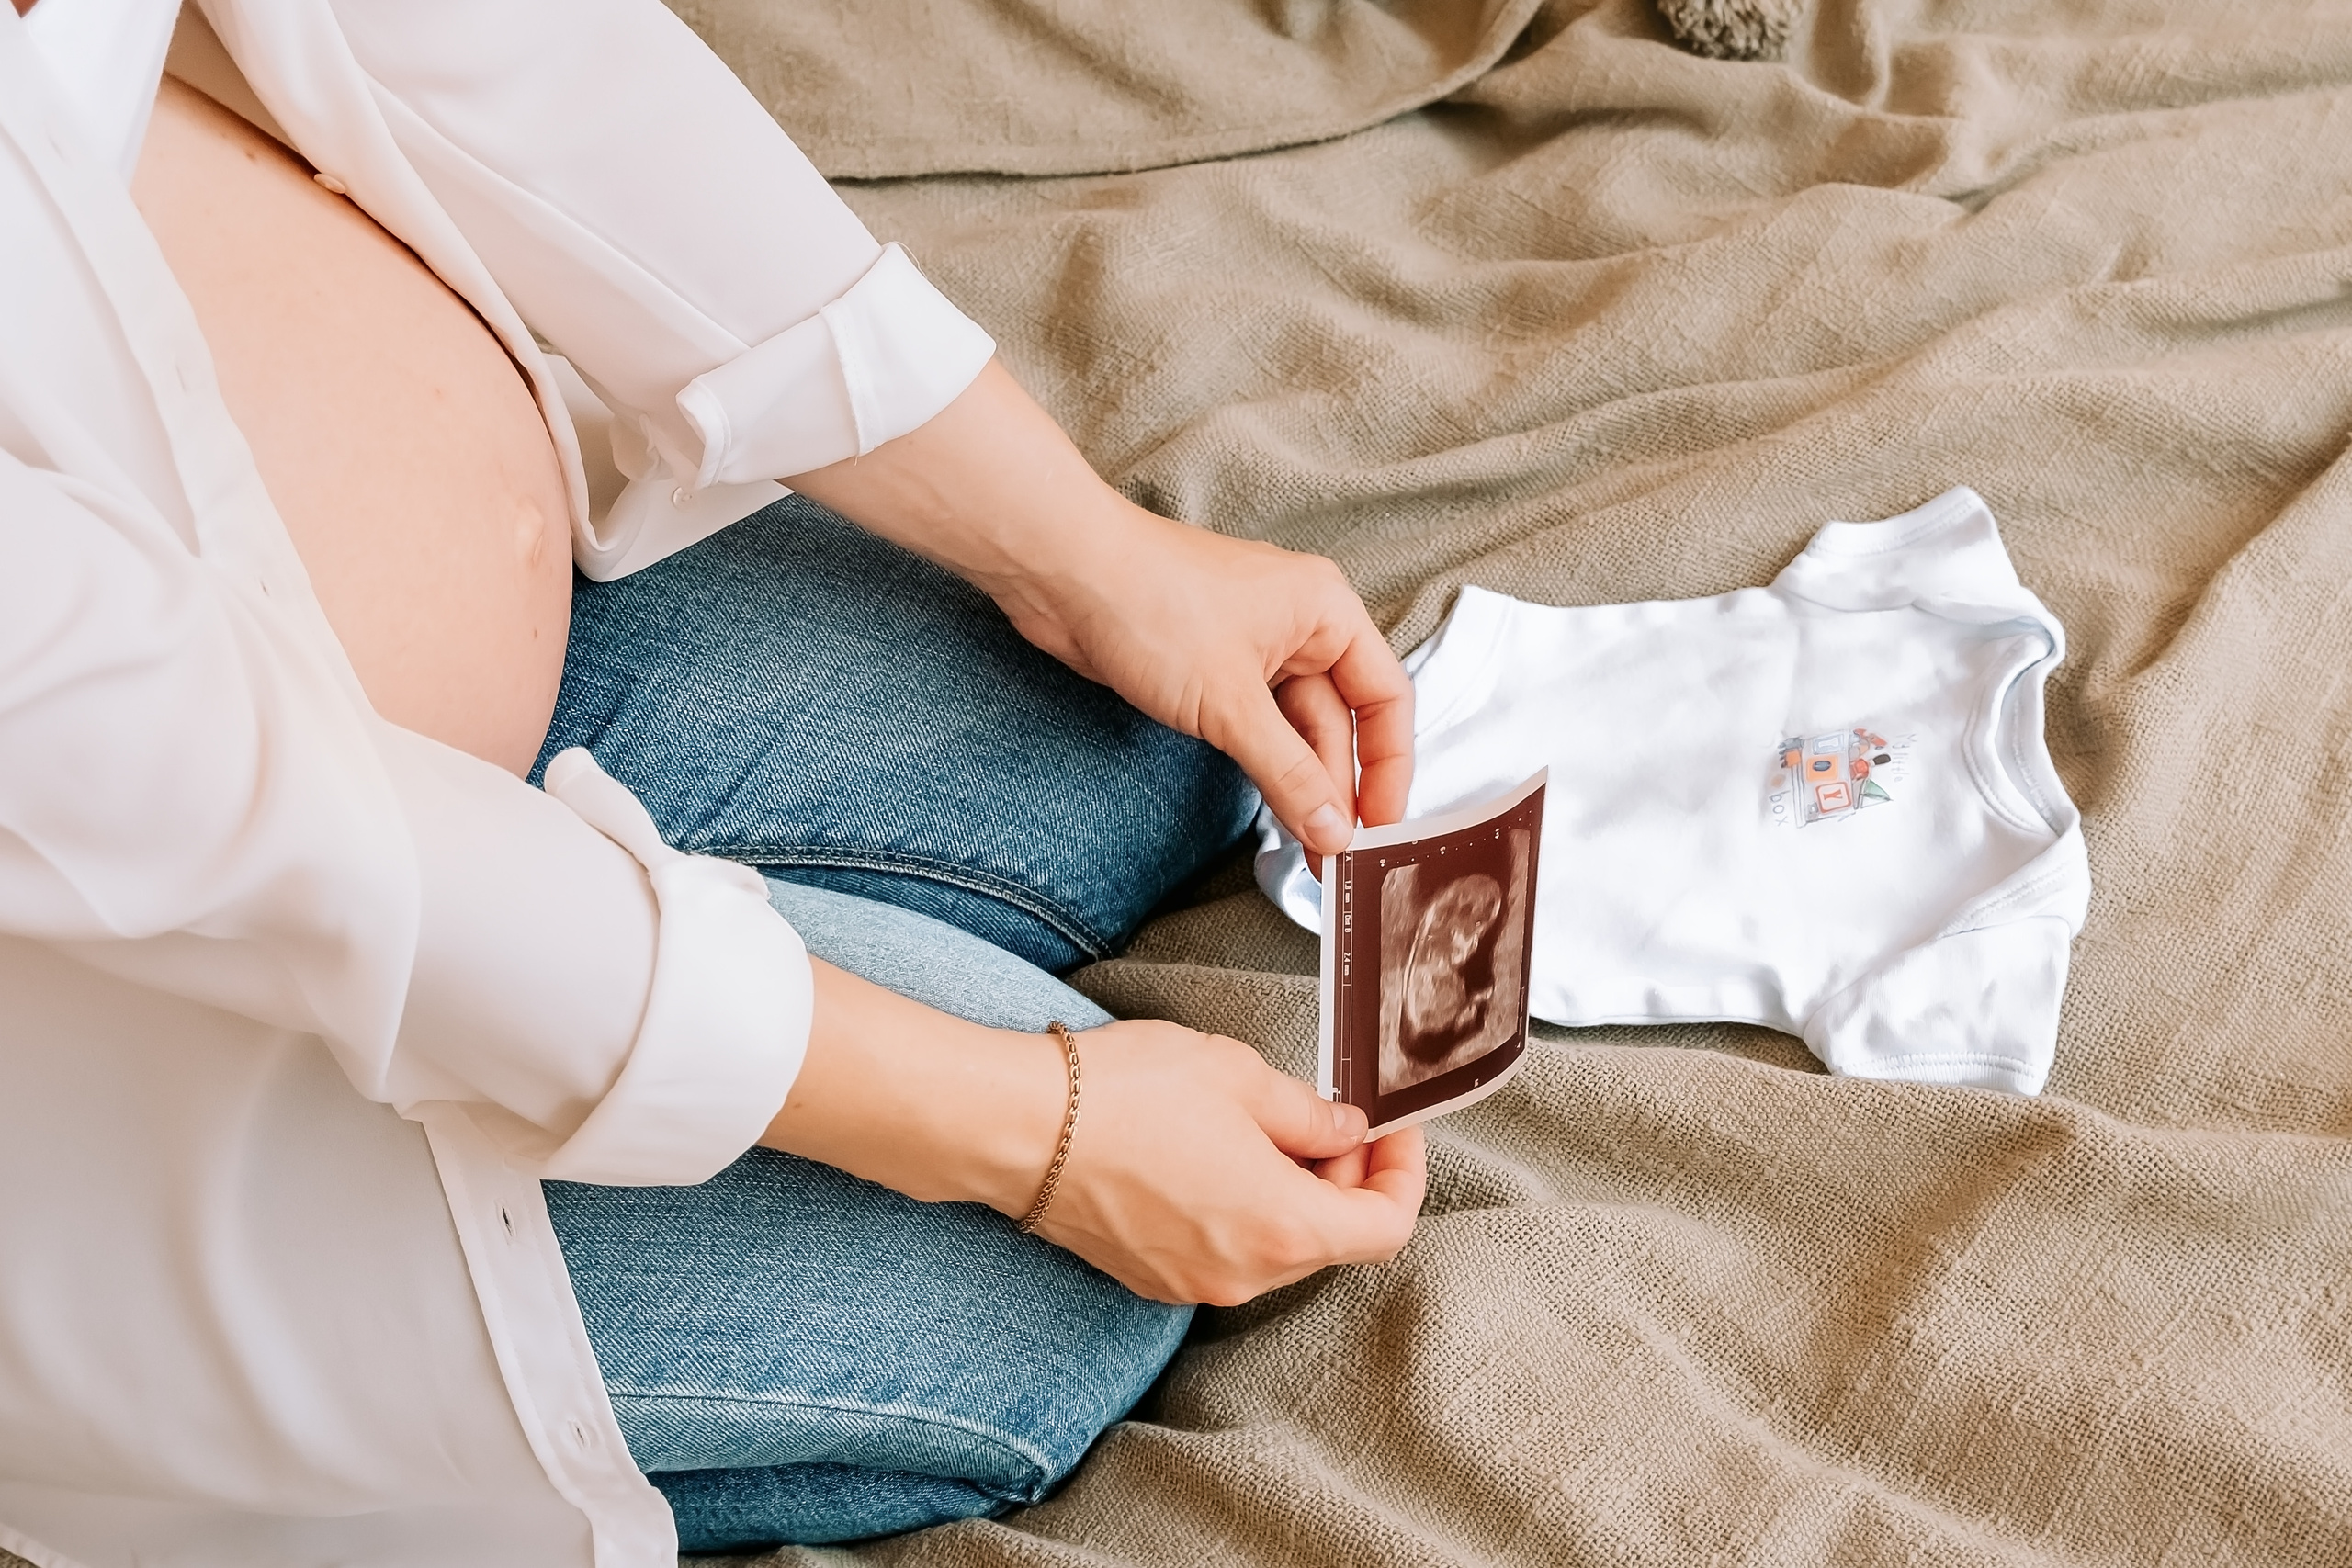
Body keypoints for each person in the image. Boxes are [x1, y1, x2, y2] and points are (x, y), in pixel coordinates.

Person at [0, 0, 1426, 1562]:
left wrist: (1087, 552)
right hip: (149, 1046)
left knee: (1149, 764)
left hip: (490, 685)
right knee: (1056, 1319)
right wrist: (1040, 1127)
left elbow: (481, 45)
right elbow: (267, 827)